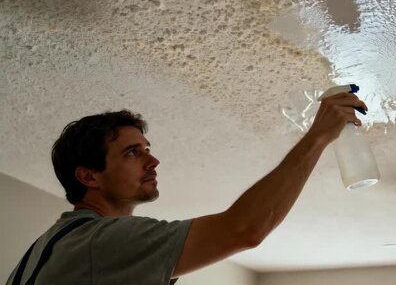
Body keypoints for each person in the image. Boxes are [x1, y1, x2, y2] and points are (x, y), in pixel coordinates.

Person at [6, 92, 368, 284]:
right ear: (89, 177)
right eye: (133, 153)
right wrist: (318, 136)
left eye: (147, 150)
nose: (153, 161)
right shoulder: (97, 241)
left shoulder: (59, 247)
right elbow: (245, 229)